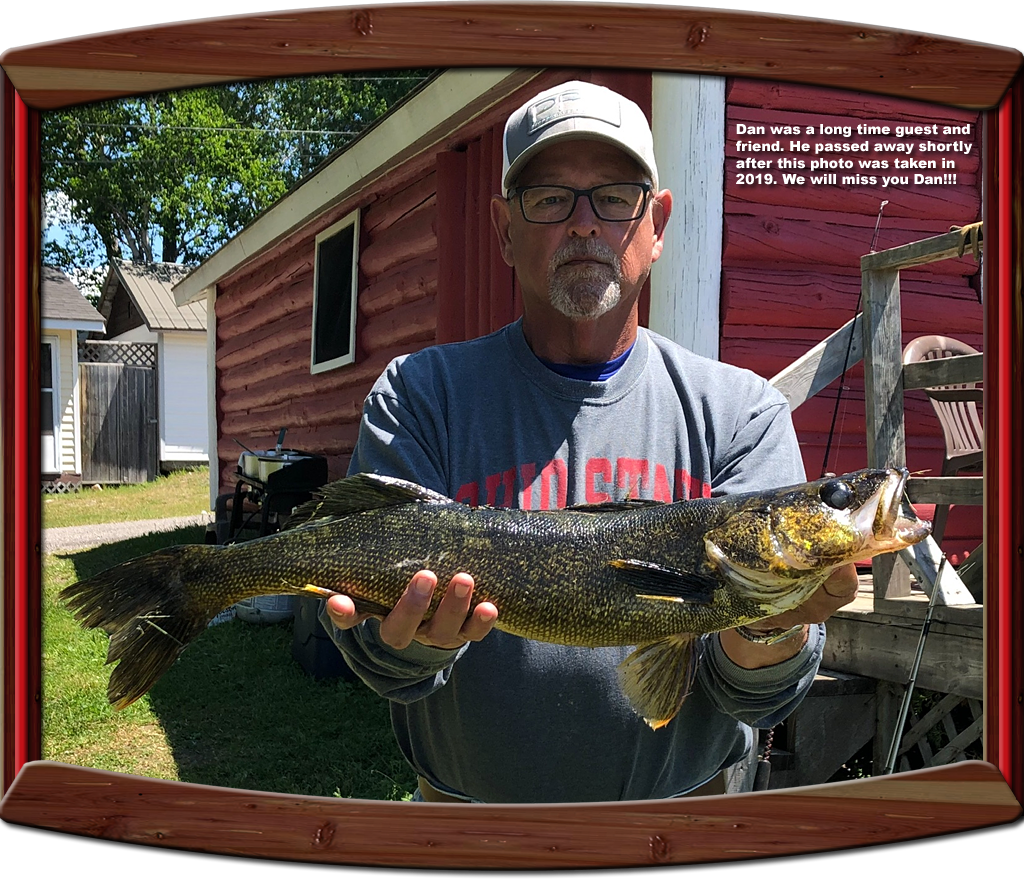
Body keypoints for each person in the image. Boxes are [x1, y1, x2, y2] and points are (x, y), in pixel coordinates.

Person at [320, 80, 858, 804]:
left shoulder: (742, 412)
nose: (584, 224)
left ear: (656, 222)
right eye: (549, 197)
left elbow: (755, 699)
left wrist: (768, 632)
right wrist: (411, 642)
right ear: (504, 228)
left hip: (682, 826)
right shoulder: (420, 396)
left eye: (614, 196)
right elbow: (385, 666)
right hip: (468, 833)